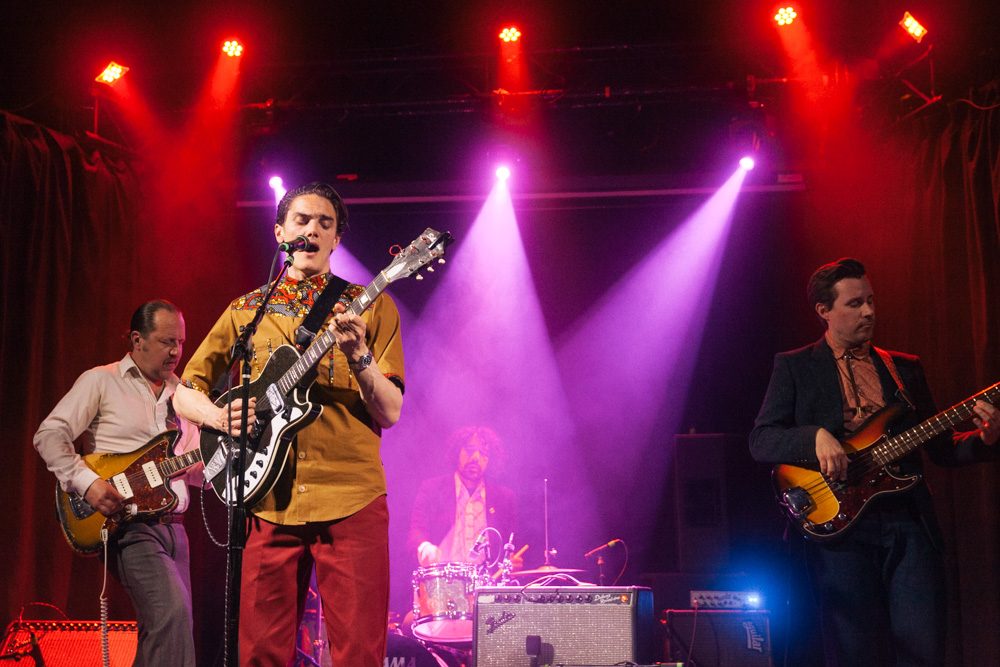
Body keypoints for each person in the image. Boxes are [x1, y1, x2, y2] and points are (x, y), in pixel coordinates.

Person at [173, 181, 405, 667]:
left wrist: (359, 356)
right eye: (302, 220)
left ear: (337, 239)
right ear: (280, 232)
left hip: (351, 495)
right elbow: (184, 390)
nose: (312, 229)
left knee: (359, 653)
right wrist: (217, 415)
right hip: (266, 498)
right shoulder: (245, 311)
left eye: (325, 223)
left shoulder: (370, 305)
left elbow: (390, 411)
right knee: (259, 653)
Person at [749, 258, 1000, 666]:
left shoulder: (904, 367)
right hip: (841, 527)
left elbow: (941, 449)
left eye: (870, 300)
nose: (869, 311)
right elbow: (761, 440)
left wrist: (986, 439)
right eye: (854, 304)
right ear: (824, 310)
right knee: (855, 653)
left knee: (924, 649)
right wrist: (814, 437)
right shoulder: (795, 365)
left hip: (907, 520)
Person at [33, 300, 201, 667]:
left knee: (170, 628)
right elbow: (49, 435)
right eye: (166, 341)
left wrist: (229, 456)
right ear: (137, 340)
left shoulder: (185, 396)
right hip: (128, 525)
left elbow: (197, 471)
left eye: (180, 342)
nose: (176, 352)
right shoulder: (101, 380)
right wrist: (87, 483)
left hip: (176, 528)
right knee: (172, 614)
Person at [407, 426, 519, 568]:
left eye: (484, 453)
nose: (476, 458)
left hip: (487, 580)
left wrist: (513, 561)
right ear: (457, 452)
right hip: (443, 577)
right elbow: (417, 530)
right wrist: (425, 548)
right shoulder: (432, 489)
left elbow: (512, 546)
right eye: (470, 450)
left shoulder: (504, 498)